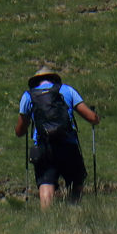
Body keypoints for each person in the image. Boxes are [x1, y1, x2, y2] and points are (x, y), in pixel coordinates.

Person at [15, 66, 99, 207]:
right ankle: (73, 212)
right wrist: (96, 117)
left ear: (36, 81)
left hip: (43, 147)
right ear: (54, 79)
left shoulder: (28, 96)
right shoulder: (67, 90)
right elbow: (91, 117)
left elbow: (20, 130)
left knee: (46, 184)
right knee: (76, 182)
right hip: (68, 145)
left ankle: (47, 221)